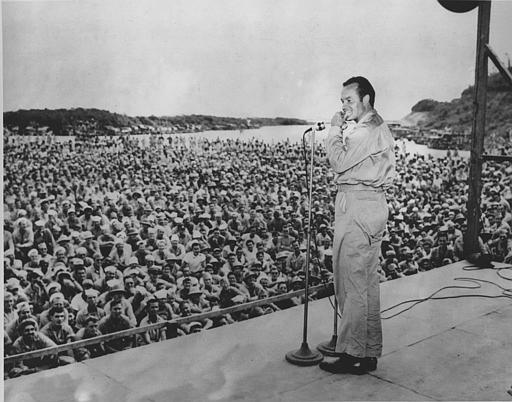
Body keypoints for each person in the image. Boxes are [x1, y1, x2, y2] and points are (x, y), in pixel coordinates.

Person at [320, 76, 395, 375]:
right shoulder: (372, 126)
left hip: (359, 206)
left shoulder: (367, 130)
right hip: (367, 204)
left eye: (349, 100)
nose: (343, 106)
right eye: (341, 102)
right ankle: (366, 350)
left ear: (366, 100)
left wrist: (332, 130)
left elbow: (338, 161)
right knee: (364, 282)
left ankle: (352, 354)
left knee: (351, 280)